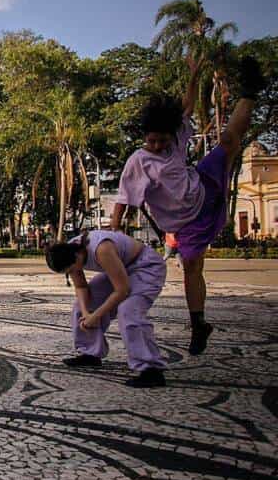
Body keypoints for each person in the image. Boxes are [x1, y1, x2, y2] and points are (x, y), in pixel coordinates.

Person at [110, 55, 265, 355]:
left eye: (162, 141)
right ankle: (199, 324)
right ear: (145, 137)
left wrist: (193, 76)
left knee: (229, 140)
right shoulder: (138, 162)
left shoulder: (176, 137)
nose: (157, 146)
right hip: (186, 224)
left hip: (203, 186)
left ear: (172, 135)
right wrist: (113, 235)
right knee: (192, 266)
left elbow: (187, 106)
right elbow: (123, 201)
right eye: (152, 141)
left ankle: (250, 90)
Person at [45, 230, 167, 388]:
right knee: (80, 307)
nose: (73, 273)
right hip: (120, 268)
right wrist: (86, 312)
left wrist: (95, 316)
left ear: (77, 257)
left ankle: (151, 369)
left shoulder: (102, 249)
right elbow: (81, 287)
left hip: (145, 266)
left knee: (128, 310)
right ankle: (90, 353)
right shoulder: (70, 251)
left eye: (72, 269)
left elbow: (122, 291)